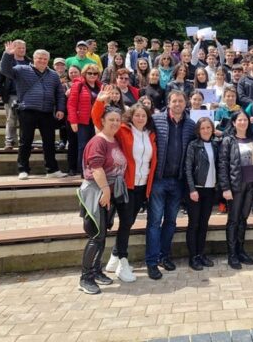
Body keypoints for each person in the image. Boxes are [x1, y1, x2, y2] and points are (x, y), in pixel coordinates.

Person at [91, 98, 157, 283]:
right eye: (137, 115)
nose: (140, 118)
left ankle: (114, 257)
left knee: (130, 221)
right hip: (127, 184)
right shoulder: (123, 130)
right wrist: (99, 102)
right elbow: (99, 121)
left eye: (143, 115)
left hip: (143, 185)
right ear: (131, 116)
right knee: (126, 222)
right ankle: (122, 262)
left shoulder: (150, 134)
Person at [76, 106, 127, 294]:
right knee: (96, 236)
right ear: (103, 121)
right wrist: (105, 190)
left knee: (102, 235)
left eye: (117, 120)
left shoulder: (114, 140)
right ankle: (85, 278)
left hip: (108, 193)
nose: (115, 123)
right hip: (96, 192)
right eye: (111, 119)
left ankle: (96, 271)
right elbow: (96, 168)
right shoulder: (98, 141)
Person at [145, 90, 196, 280]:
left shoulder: (190, 124)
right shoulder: (156, 119)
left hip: (177, 181)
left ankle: (163, 256)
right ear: (168, 102)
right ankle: (151, 261)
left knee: (171, 222)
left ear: (185, 103)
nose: (177, 104)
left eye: (181, 101)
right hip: (158, 179)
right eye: (174, 101)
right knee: (154, 222)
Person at [0, 41, 66, 180]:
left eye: (45, 59)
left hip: (47, 111)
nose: (42, 61)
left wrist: (60, 108)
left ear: (48, 60)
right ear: (34, 59)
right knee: (26, 141)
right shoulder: (21, 69)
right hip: (27, 110)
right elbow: (5, 70)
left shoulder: (53, 75)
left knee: (49, 142)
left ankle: (52, 170)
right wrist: (7, 55)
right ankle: (23, 169)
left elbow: (60, 94)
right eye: (39, 58)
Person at [218, 111, 253, 269]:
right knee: (233, 220)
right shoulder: (228, 140)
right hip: (236, 186)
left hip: (251, 184)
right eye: (240, 120)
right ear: (234, 123)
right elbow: (222, 165)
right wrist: (225, 188)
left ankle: (240, 250)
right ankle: (232, 254)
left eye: (245, 120)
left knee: (243, 219)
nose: (243, 122)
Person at [184, 117, 219, 271]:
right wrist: (192, 189)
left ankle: (201, 253)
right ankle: (193, 257)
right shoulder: (193, 145)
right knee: (194, 224)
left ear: (212, 129)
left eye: (208, 127)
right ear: (198, 130)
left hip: (210, 189)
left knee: (204, 224)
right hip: (196, 189)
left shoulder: (215, 144)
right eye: (202, 128)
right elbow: (188, 168)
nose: (206, 130)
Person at [0, 39, 30, 150]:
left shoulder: (29, 62)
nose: (22, 50)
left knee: (25, 120)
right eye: (19, 48)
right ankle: (9, 141)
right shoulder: (6, 61)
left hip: (26, 95)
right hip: (11, 94)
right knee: (11, 119)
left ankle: (23, 141)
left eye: (23, 48)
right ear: (14, 48)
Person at [67, 63, 102, 176]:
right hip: (83, 121)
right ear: (84, 73)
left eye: (95, 73)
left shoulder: (100, 86)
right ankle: (83, 170)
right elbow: (71, 104)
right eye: (90, 73)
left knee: (95, 146)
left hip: (96, 121)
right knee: (83, 146)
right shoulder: (78, 85)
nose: (92, 75)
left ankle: (94, 169)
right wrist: (73, 121)